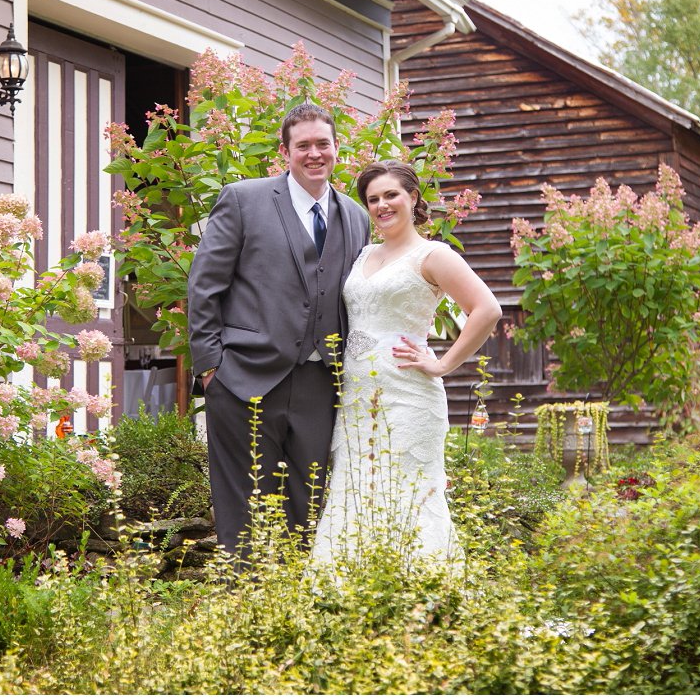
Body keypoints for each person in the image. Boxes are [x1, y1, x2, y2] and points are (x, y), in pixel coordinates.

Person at [187, 103, 370, 560]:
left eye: (322, 144)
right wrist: (211, 366)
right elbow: (205, 285)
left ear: (336, 149)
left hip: (320, 382)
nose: (314, 154)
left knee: (309, 503)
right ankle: (243, 604)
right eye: (303, 145)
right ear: (284, 152)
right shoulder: (243, 199)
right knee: (242, 508)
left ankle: (293, 608)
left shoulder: (356, 216)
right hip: (243, 375)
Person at [311, 161, 501, 568]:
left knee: (408, 494)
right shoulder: (363, 254)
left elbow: (486, 309)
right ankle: (353, 598)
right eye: (373, 199)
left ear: (413, 198)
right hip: (357, 399)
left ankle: (424, 597)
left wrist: (443, 364)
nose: (382, 205)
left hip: (407, 395)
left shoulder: (432, 255)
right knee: (356, 492)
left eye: (391, 195)